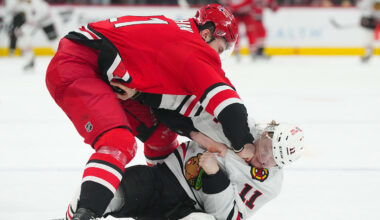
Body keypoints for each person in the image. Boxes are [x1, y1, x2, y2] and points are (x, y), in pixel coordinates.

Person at [46, 4, 259, 219]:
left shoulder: (179, 34)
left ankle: (162, 197)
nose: (218, 58)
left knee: (161, 135)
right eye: (220, 49)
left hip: (104, 71)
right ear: (207, 34)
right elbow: (229, 107)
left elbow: (165, 109)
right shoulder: (195, 47)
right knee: (118, 142)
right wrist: (244, 144)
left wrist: (200, 137)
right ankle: (85, 214)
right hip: (80, 65)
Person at [65, 120, 304, 220]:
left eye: (274, 160)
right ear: (264, 134)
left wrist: (215, 177)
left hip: (186, 210)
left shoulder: (269, 184)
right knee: (94, 195)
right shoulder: (239, 124)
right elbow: (186, 113)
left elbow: (226, 217)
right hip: (160, 180)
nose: (263, 159)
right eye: (265, 148)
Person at [3, 0, 58, 70]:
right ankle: (30, 60)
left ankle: (64, 56)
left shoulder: (38, 3)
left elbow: (43, 11)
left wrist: (34, 20)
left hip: (45, 20)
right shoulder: (14, 3)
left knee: (54, 41)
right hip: (29, 23)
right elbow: (10, 12)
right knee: (24, 40)